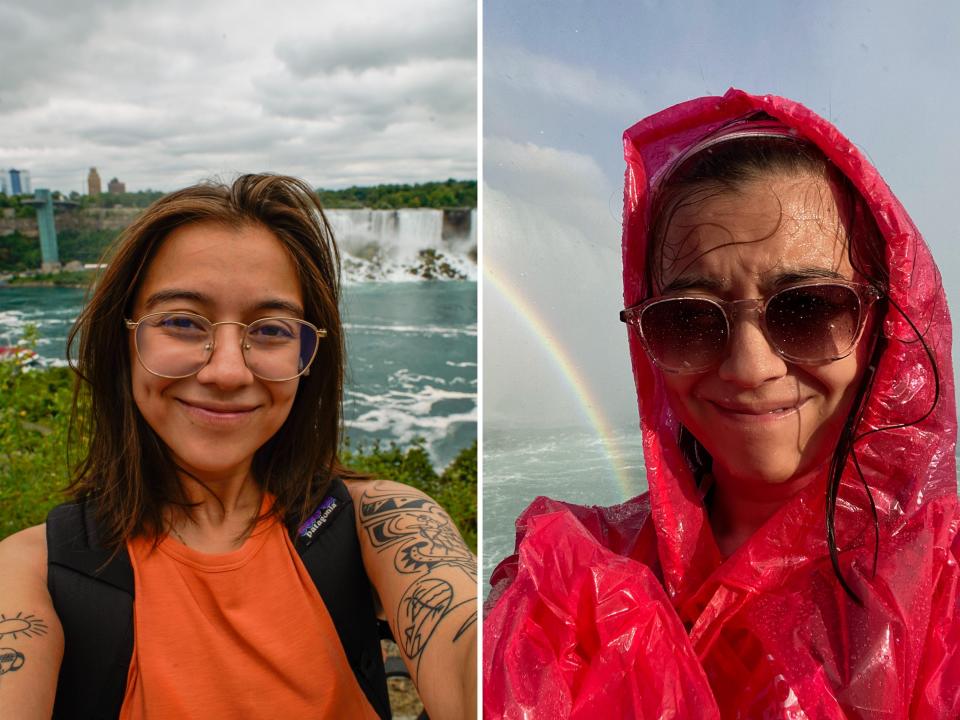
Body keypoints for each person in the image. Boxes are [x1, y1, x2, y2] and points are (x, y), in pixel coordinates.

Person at [483, 89, 959, 718]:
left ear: (887, 322)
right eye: (688, 319)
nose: (748, 368)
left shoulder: (943, 584)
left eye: (809, 306)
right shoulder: (571, 577)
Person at [0, 174, 477, 719]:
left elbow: (474, 650)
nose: (228, 371)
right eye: (181, 321)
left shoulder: (382, 522)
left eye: (272, 330)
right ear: (123, 341)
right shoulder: (31, 572)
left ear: (309, 357)